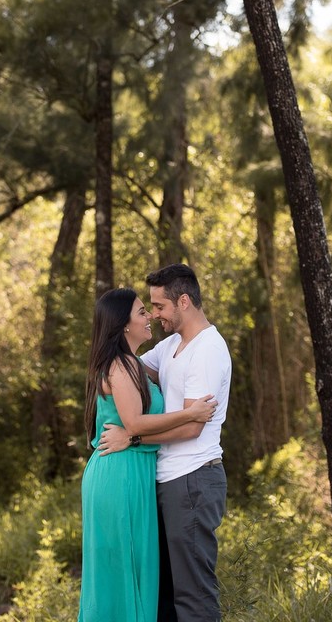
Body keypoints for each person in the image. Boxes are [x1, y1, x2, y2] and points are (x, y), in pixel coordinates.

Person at [99, 265, 232, 622]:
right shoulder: (172, 345)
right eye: (151, 308)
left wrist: (132, 435)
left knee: (192, 595)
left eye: (159, 306)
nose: (155, 315)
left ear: (183, 301)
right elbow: (127, 367)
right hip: (166, 480)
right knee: (164, 596)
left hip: (192, 479)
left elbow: (192, 428)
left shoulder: (207, 349)